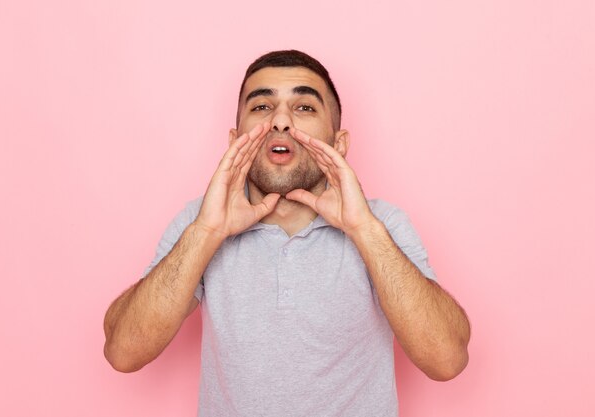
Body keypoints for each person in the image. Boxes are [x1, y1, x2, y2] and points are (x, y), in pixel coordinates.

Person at [104, 50, 470, 416]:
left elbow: (446, 360)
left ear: (339, 143)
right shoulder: (199, 221)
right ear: (235, 140)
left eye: (305, 108)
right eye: (262, 107)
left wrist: (363, 229)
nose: (280, 120)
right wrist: (207, 231)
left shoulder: (382, 224)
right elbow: (123, 352)